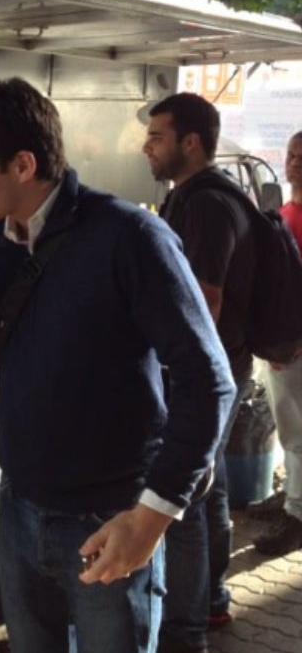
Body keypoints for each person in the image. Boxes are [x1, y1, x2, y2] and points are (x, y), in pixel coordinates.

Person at [0, 78, 235, 653]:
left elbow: (209, 382)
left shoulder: (130, 238)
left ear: (21, 164)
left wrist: (150, 519)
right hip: (19, 510)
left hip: (108, 515)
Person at [143, 92, 256, 653]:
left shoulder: (206, 205)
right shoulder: (194, 197)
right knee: (208, 488)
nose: (147, 147)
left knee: (180, 496)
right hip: (217, 363)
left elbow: (204, 303)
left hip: (205, 369)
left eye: (157, 137)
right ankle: (210, 602)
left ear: (190, 142)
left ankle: (184, 632)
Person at [251, 130, 302, 555]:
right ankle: (291, 499)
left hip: (296, 346)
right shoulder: (286, 210)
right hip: (281, 345)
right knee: (290, 431)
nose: (296, 162)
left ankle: (298, 517)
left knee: (299, 433)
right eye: (292, 154)